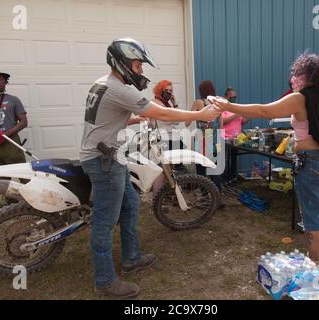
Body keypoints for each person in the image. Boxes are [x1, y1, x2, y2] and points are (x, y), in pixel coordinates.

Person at [79, 38, 220, 299]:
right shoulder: (120, 89)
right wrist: (200, 116)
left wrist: (132, 118)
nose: (141, 71)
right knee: (105, 222)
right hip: (104, 161)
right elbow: (164, 114)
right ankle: (105, 280)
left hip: (111, 156)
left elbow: (102, 117)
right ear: (120, 63)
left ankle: (132, 259)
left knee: (131, 206)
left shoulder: (102, 83)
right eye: (137, 65)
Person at [213, 52, 319, 276]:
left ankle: (315, 264)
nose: (293, 79)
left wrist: (227, 105)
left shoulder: (300, 98)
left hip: (315, 164)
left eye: (296, 74)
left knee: (313, 215)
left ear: (304, 75)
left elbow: (265, 110)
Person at [186, 80, 223, 192]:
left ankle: (205, 197)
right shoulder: (218, 103)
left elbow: (187, 123)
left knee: (201, 169)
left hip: (202, 140)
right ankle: (217, 195)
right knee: (214, 168)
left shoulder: (198, 102)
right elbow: (221, 125)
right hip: (216, 139)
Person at [222, 87, 248, 183]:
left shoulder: (236, 108)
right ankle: (224, 180)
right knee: (225, 160)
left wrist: (250, 116)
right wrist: (235, 115)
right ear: (226, 97)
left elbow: (242, 122)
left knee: (234, 159)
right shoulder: (223, 109)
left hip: (236, 139)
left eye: (235, 97)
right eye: (231, 97)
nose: (233, 99)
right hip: (225, 139)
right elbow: (222, 122)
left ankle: (233, 178)